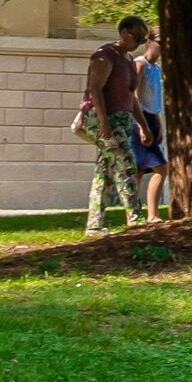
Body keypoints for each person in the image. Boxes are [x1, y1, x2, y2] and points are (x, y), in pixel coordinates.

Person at [79, 17, 148, 234]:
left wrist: (143, 125)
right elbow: (95, 89)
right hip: (106, 118)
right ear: (124, 32)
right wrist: (103, 122)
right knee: (126, 164)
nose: (139, 42)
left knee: (105, 172)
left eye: (143, 39)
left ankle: (94, 224)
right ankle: (135, 218)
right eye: (137, 37)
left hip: (123, 120)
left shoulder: (127, 60)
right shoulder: (104, 54)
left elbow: (130, 96)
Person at [134, 42, 172, 221]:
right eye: (161, 41)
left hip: (151, 118)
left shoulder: (156, 68)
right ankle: (151, 215)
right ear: (149, 43)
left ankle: (137, 215)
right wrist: (141, 125)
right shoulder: (140, 63)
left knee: (140, 170)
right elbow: (133, 96)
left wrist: (158, 122)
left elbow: (153, 98)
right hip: (139, 120)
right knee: (160, 168)